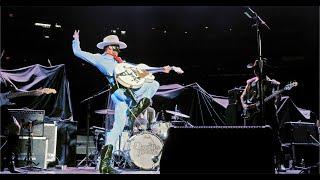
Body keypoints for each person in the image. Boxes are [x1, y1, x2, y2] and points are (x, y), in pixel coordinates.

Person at [72, 30, 182, 174]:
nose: (118, 51)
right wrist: (76, 40)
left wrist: (162, 69)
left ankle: (104, 165)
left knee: (117, 129)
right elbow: (78, 52)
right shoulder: (99, 58)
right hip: (119, 92)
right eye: (116, 48)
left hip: (125, 98)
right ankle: (137, 110)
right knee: (153, 85)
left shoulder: (122, 63)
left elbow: (141, 70)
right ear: (109, 47)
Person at [240, 59, 286, 172]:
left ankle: (280, 164)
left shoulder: (273, 83)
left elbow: (277, 100)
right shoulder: (251, 82)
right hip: (255, 114)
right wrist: (245, 106)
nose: (255, 71)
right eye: (254, 69)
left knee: (275, 137)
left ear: (263, 70)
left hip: (270, 112)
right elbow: (242, 97)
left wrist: (278, 95)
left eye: (257, 69)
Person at [0, 73, 21, 173]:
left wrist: (34, 92)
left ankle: (9, 161)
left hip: (1, 107)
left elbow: (16, 91)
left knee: (15, 127)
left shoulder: (3, 75)